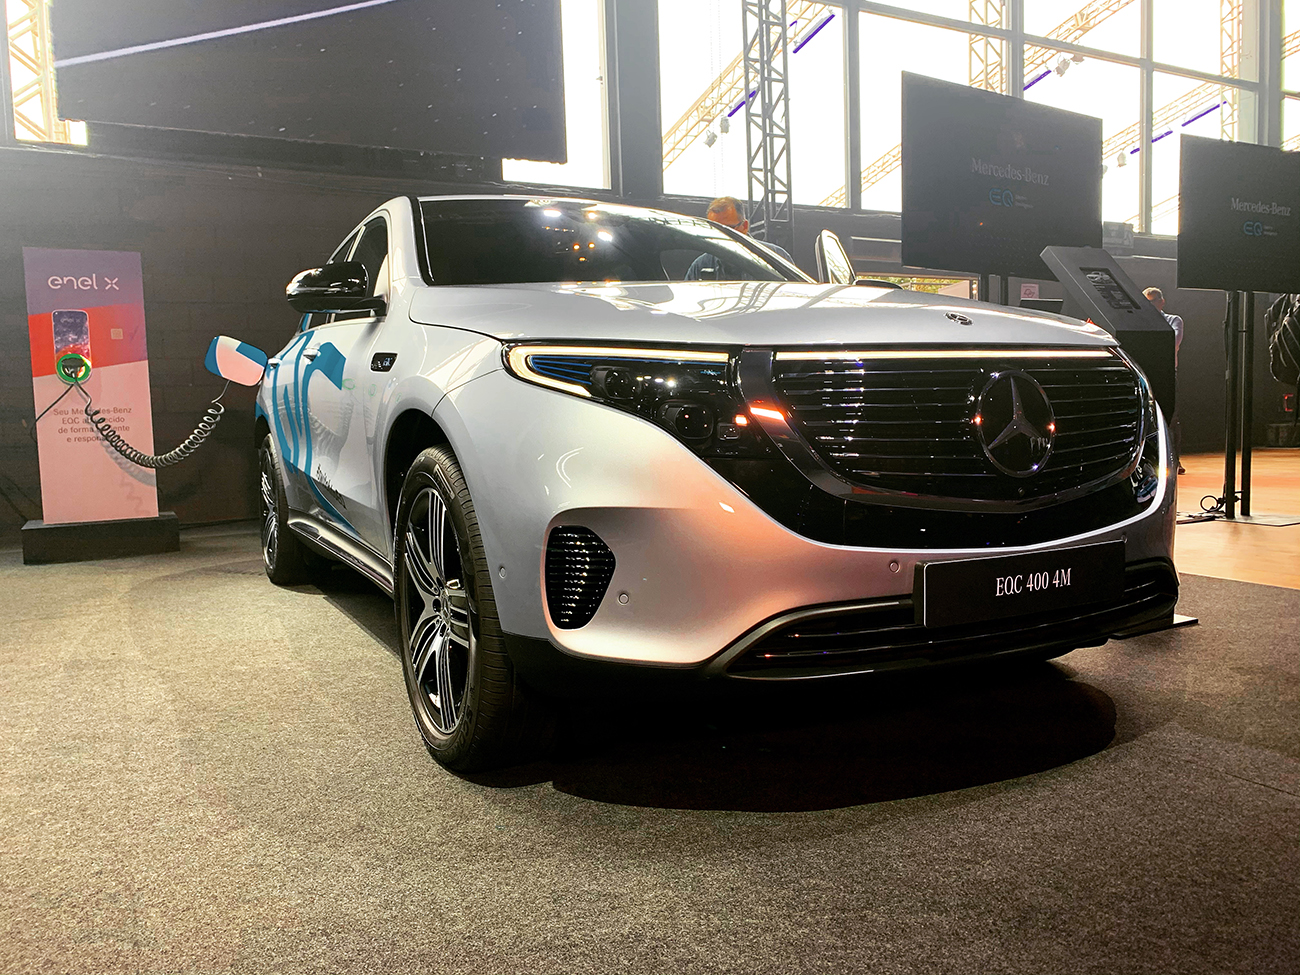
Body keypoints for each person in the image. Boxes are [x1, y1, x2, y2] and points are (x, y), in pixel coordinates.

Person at [685, 196, 793, 280]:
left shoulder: (777, 258)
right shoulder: (700, 265)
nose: (719, 235)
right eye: (713, 229)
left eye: (727, 229)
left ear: (744, 226)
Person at [1143, 287, 1185, 474]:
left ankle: (1174, 461)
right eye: (1146, 302)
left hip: (1167, 373)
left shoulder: (1173, 320)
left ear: (1161, 302)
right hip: (1146, 373)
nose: (1149, 306)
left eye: (1152, 302)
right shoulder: (1141, 323)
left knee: (1171, 418)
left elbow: (1172, 342)